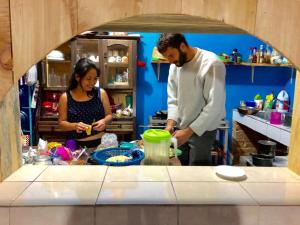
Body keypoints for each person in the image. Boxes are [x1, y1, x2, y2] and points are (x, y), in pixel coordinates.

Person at [157, 33, 226, 165]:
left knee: (197, 170)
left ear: (182, 46)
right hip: (181, 126)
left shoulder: (212, 63)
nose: (170, 61)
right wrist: (170, 125)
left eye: (171, 55)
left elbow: (214, 106)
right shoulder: (175, 66)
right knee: (179, 164)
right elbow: (173, 99)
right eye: (166, 57)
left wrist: (189, 132)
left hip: (203, 130)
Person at [58, 58, 112, 149]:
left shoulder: (101, 93)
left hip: (100, 146)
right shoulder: (65, 97)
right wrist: (75, 126)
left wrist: (104, 121)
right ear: (77, 77)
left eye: (95, 79)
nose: (92, 82)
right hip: (76, 147)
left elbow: (109, 115)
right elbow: (61, 123)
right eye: (88, 78)